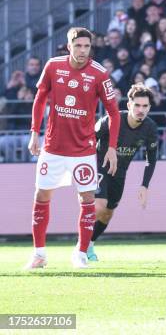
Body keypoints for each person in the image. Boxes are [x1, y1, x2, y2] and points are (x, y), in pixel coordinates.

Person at [25, 27, 120, 270]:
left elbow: (113, 113)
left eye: (87, 47)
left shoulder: (99, 74)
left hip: (84, 151)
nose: (82, 51)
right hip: (53, 148)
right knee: (41, 196)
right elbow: (39, 100)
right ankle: (39, 254)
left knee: (87, 199)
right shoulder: (53, 66)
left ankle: (80, 253)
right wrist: (34, 133)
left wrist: (111, 147)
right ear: (69, 46)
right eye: (78, 46)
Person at [87, 83, 159, 261]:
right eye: (137, 105)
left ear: (149, 107)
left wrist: (144, 185)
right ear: (129, 105)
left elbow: (151, 159)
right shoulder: (111, 120)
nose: (141, 110)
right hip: (99, 168)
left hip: (119, 174)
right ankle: (82, 246)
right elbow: (89, 138)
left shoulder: (150, 128)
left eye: (145, 106)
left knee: (107, 213)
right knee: (99, 206)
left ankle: (89, 244)